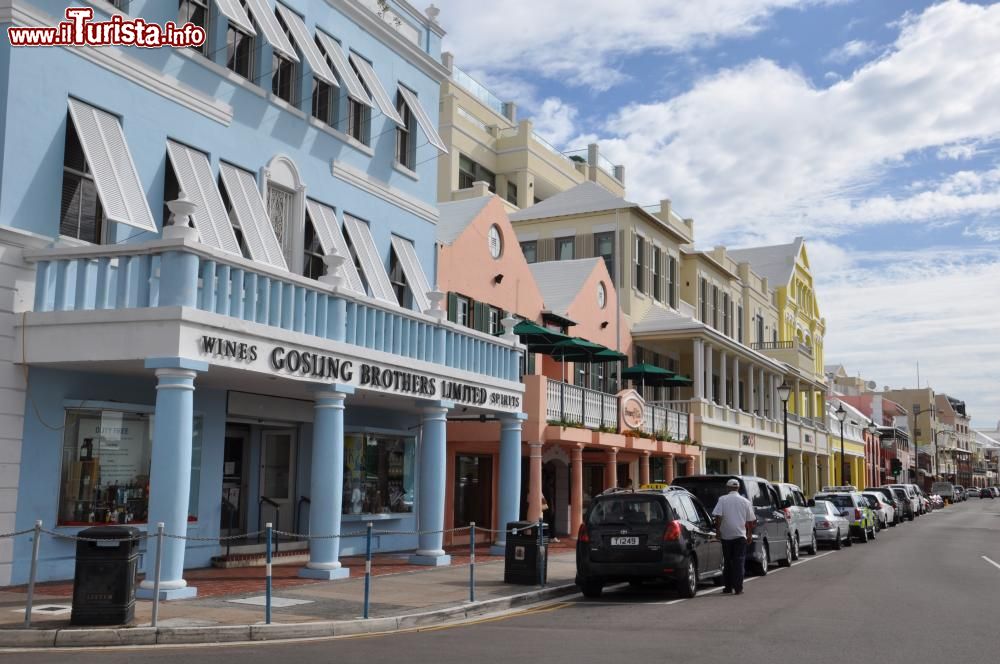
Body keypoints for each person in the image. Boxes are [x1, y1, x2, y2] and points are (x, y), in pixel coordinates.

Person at [711, 478, 757, 595]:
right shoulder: (745, 501)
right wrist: (749, 534)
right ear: (738, 488)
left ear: (728, 488)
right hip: (740, 536)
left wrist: (718, 532)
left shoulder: (722, 499)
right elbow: (750, 521)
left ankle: (728, 587)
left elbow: (718, 516)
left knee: (728, 562)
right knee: (739, 561)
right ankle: (738, 588)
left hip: (726, 536)